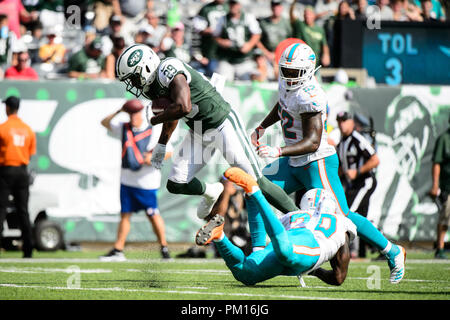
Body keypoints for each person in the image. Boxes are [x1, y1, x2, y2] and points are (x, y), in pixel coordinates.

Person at [250, 42, 406, 283]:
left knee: (342, 216)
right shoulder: (288, 84)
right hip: (294, 162)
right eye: (286, 70)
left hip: (316, 161)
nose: (288, 76)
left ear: (308, 71)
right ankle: (258, 253)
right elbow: (282, 105)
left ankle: (393, 251)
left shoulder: (311, 94)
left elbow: (313, 142)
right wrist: (262, 126)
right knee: (255, 189)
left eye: (294, 72)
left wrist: (277, 150)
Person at [115, 44, 299, 244]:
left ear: (146, 68)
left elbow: (183, 107)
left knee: (257, 181)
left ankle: (301, 218)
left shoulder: (169, 68)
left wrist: (153, 120)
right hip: (199, 130)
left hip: (221, 123)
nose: (133, 84)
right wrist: (161, 144)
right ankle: (211, 191)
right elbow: (173, 115)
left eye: (133, 77)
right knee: (176, 182)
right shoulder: (152, 87)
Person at [197, 167, 356, 286]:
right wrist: (314, 270)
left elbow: (263, 224)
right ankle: (255, 191)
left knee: (245, 274)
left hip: (286, 241)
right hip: (308, 245)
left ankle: (220, 237)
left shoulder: (294, 216)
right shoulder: (341, 221)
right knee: (286, 252)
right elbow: (338, 277)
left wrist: (257, 252)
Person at [99, 99, 172, 261]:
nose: (133, 117)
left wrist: (152, 157)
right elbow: (104, 123)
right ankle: (118, 249)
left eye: (136, 113)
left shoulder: (153, 130)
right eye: (131, 113)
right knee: (125, 215)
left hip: (147, 180)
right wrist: (120, 111)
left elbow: (169, 151)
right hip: (127, 179)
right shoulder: (124, 128)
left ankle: (164, 248)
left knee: (153, 214)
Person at [336, 111, 380, 258]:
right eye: (339, 121)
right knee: (361, 218)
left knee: (347, 214)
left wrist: (358, 171)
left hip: (364, 182)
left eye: (345, 121)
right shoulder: (341, 143)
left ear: (352, 123)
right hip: (352, 185)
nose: (342, 124)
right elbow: (342, 168)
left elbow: (375, 160)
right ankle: (374, 249)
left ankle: (342, 252)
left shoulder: (357, 138)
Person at [0, 96, 36, 258]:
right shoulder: (28, 129)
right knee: (23, 211)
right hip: (22, 171)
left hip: (5, 171)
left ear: (7, 108)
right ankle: (28, 248)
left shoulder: (3, 128)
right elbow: (30, 153)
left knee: (1, 209)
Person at [214, 0, 262, 81]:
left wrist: (249, 45)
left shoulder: (248, 17)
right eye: (231, 4)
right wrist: (222, 42)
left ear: (239, 5)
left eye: (235, 4)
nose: (233, 6)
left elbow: (257, 34)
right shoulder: (223, 19)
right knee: (223, 81)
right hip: (227, 59)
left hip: (244, 59)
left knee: (248, 81)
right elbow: (215, 36)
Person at [429, 117, 449, 259]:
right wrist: (435, 185)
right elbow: (437, 163)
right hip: (448, 185)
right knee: (446, 216)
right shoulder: (444, 139)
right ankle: (440, 247)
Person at [256, 0, 293, 78]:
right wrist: (266, 53)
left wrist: (279, 54)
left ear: (281, 7)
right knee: (260, 67)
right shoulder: (263, 22)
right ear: (271, 7)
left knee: (280, 73)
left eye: (278, 6)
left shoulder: (286, 23)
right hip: (267, 55)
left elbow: (290, 41)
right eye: (274, 6)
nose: (276, 8)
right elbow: (256, 40)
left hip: (282, 55)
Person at [192, 0, 228, 77]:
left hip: (227, 53)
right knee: (212, 75)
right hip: (211, 51)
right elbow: (199, 28)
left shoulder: (229, 7)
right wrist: (214, 30)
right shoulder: (206, 9)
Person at [289, 3, 330, 68]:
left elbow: (324, 44)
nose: (307, 16)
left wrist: (326, 54)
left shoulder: (319, 29)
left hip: (315, 63)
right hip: (301, 62)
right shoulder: (300, 25)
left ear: (314, 15)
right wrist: (293, 3)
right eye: (305, 14)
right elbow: (292, 16)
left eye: (309, 14)